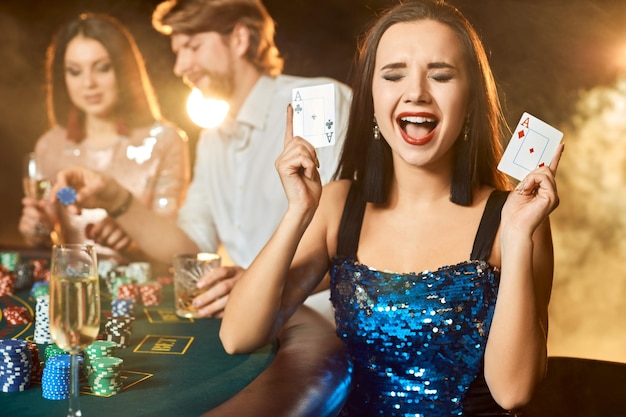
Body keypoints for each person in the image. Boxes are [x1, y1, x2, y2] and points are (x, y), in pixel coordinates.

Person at [219, 1, 563, 416]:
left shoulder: (516, 218)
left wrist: (518, 236)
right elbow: (237, 336)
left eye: (441, 75)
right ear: (373, 99)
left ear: (470, 99)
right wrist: (298, 212)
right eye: (394, 75)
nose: (416, 92)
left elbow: (514, 392)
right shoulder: (337, 206)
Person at [50, 0, 351, 318]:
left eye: (192, 47)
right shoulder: (211, 139)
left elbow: (351, 237)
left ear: (239, 38)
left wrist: (258, 284)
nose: (180, 67)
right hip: (246, 323)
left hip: (321, 324)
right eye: (178, 52)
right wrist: (115, 197)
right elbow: (191, 248)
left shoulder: (318, 101)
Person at [18, 13, 190, 266]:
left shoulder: (165, 141)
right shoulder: (50, 146)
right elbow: (53, 232)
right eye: (75, 71)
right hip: (72, 288)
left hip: (145, 291)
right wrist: (37, 229)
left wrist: (132, 238)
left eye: (102, 68)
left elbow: (180, 248)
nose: (89, 83)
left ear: (123, 70)